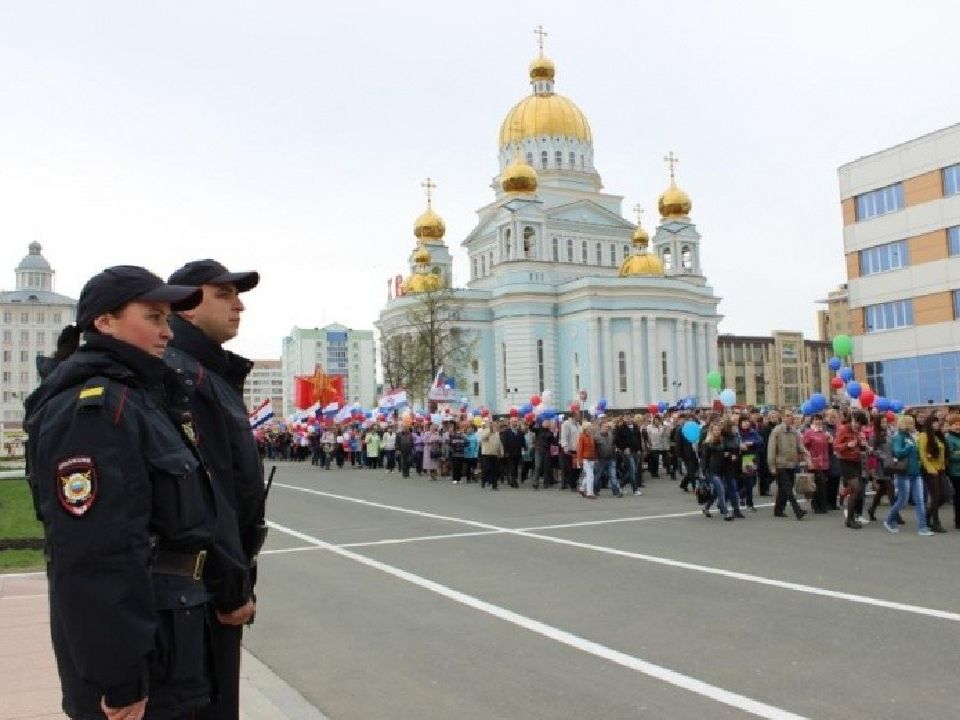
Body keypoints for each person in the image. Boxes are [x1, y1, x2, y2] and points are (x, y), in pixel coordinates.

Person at [24, 266, 217, 719]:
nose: (167, 332)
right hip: (137, 662)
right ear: (103, 322)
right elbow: (95, 552)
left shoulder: (139, 398)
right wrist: (121, 677)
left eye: (168, 319)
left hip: (168, 637)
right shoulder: (95, 409)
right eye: (152, 317)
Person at [163, 259, 264, 720]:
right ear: (185, 306)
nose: (238, 305)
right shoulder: (184, 377)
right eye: (222, 294)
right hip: (201, 594)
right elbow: (207, 494)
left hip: (207, 589)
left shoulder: (208, 374)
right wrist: (230, 588)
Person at [885, 415, 933, 536]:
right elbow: (897, 453)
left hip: (915, 472)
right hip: (904, 473)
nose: (914, 425)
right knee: (903, 500)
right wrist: (908, 447)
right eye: (911, 423)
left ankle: (923, 527)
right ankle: (889, 520)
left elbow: (915, 453)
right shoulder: (898, 437)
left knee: (920, 500)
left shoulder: (910, 436)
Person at [767, 410, 809, 520]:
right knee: (788, 489)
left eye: (792, 416)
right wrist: (771, 465)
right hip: (780, 464)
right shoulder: (777, 431)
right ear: (782, 418)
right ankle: (797, 510)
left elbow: (800, 446)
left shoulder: (795, 431)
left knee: (784, 488)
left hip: (792, 463)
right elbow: (771, 449)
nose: (790, 418)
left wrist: (806, 453)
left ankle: (778, 510)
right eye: (788, 416)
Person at [835, 411, 867, 529]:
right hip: (845, 461)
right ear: (852, 419)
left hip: (856, 461)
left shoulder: (857, 431)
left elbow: (859, 445)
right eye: (856, 422)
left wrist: (863, 445)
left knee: (858, 490)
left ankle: (851, 516)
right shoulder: (844, 429)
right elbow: (836, 446)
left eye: (860, 424)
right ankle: (850, 519)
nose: (858, 425)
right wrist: (847, 445)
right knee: (856, 488)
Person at [917, 415, 949, 533]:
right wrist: (931, 469)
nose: (936, 425)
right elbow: (922, 455)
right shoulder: (924, 436)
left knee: (944, 496)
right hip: (930, 471)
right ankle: (935, 522)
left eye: (937, 422)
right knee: (935, 497)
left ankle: (926, 516)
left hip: (941, 469)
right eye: (934, 423)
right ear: (929, 424)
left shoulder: (938, 436)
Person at [802, 414, 832, 514]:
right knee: (819, 483)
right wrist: (808, 460)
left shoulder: (824, 433)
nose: (818, 421)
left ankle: (822, 505)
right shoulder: (809, 432)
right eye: (816, 420)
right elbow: (804, 447)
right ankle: (816, 505)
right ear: (812, 421)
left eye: (820, 420)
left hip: (824, 461)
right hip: (813, 462)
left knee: (822, 484)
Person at [594, 422, 623, 498]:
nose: (606, 428)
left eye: (607, 427)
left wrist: (615, 454)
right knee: (598, 476)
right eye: (605, 427)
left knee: (613, 476)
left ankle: (616, 492)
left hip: (611, 458)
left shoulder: (611, 435)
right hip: (601, 459)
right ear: (601, 427)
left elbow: (614, 445)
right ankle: (595, 490)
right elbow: (594, 449)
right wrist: (596, 458)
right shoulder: (596, 437)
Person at [944, 413, 960, 529]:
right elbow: (950, 455)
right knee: (958, 497)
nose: (957, 426)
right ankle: (958, 521)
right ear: (950, 426)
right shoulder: (949, 439)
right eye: (955, 424)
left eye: (959, 424)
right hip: (955, 472)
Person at [559, 411, 582, 491]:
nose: (579, 416)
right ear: (573, 416)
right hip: (569, 450)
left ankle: (573, 482)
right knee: (571, 469)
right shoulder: (567, 424)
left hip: (578, 450)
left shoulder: (579, 425)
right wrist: (565, 447)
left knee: (578, 468)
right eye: (578, 415)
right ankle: (573, 486)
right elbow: (564, 436)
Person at [478, 419, 503, 489]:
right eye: (493, 424)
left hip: (494, 454)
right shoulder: (485, 430)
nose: (495, 426)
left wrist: (501, 452)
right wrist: (490, 431)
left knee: (494, 470)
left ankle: (494, 485)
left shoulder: (497, 433)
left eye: (496, 425)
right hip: (486, 453)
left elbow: (499, 443)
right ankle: (484, 481)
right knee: (487, 469)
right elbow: (483, 438)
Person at [500, 417, 524, 488]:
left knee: (516, 467)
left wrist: (523, 449)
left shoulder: (519, 432)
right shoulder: (507, 432)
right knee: (512, 467)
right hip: (510, 453)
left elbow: (522, 442)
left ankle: (513, 480)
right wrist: (505, 452)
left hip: (518, 453)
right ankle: (514, 481)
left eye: (515, 422)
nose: (514, 423)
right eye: (513, 422)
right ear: (510, 423)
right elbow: (504, 443)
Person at [575, 421, 597, 498]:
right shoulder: (582, 436)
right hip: (585, 459)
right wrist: (579, 460)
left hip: (591, 459)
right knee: (590, 475)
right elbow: (579, 449)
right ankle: (589, 493)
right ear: (586, 428)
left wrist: (595, 458)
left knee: (588, 475)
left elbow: (594, 449)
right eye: (590, 426)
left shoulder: (591, 436)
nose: (591, 428)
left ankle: (582, 488)